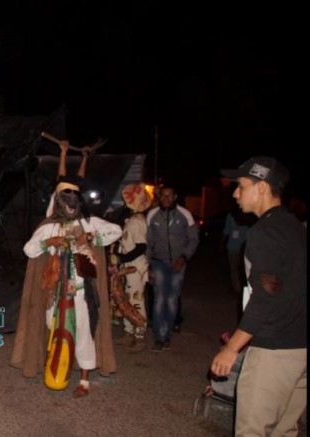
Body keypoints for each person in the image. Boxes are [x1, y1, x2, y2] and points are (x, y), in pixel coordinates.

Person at [11, 141, 122, 398]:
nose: (70, 202)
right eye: (65, 197)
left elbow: (116, 231)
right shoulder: (49, 226)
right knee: (54, 329)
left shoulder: (89, 222)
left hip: (81, 291)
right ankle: (57, 368)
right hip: (54, 290)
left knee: (83, 331)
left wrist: (90, 237)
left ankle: (84, 380)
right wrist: (48, 242)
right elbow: (29, 250)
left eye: (74, 197)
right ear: (59, 201)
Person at [211, 156, 306, 435]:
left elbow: (265, 298)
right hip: (300, 349)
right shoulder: (296, 227)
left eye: (241, 186)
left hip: (275, 352)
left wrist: (232, 348)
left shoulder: (265, 232)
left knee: (252, 430)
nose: (235, 193)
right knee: (284, 430)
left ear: (262, 187)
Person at [146, 185, 199, 351]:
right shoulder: (152, 215)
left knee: (171, 300)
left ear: (175, 197)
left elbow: (194, 239)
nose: (166, 199)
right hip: (158, 262)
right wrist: (147, 266)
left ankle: (167, 334)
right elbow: (148, 243)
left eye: (170, 196)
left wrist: (184, 257)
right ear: (159, 197)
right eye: (163, 196)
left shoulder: (185, 215)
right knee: (159, 299)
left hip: (178, 263)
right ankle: (158, 337)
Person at [112, 183, 152, 353]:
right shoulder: (131, 219)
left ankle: (139, 336)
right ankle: (129, 332)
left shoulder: (138, 221)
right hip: (129, 265)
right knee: (127, 300)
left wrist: (122, 258)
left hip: (136, 266)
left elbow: (141, 247)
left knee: (136, 301)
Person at [221, 206, 254, 294]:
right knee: (239, 269)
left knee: (236, 269)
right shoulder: (248, 216)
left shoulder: (247, 216)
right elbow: (226, 231)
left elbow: (226, 231)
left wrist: (222, 243)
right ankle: (240, 288)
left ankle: (239, 288)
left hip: (240, 248)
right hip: (239, 247)